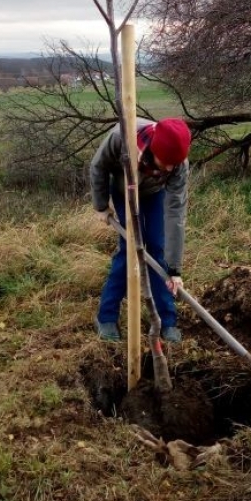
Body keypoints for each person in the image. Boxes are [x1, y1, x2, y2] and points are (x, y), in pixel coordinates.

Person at [90, 116, 191, 343]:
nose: (169, 168)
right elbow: (98, 166)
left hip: (155, 193)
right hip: (124, 189)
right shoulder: (120, 138)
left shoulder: (178, 163)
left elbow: (176, 213)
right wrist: (101, 205)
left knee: (157, 248)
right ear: (153, 148)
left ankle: (167, 321)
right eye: (165, 161)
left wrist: (175, 269)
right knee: (129, 249)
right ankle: (106, 317)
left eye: (173, 164)